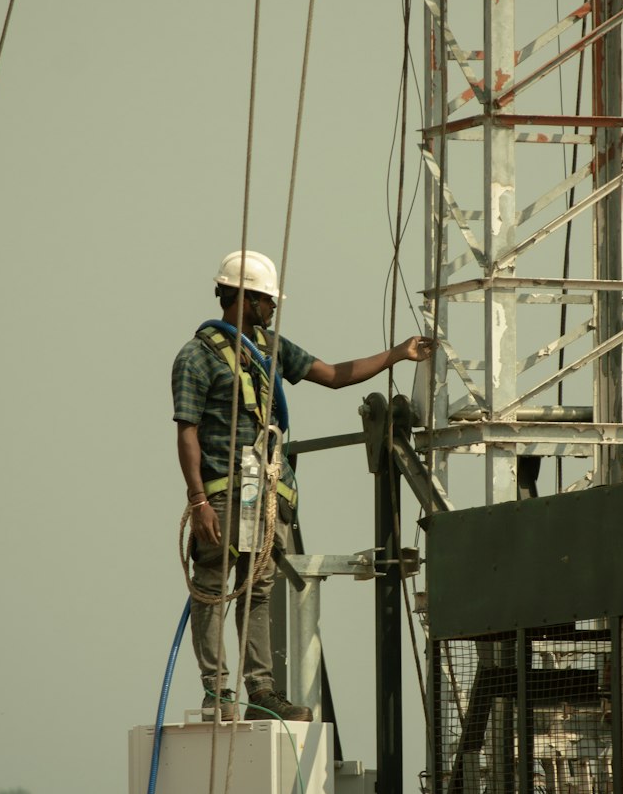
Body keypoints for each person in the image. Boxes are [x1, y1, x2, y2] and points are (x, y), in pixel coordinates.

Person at [173, 248, 433, 723]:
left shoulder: (269, 348)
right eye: (268, 301)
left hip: (268, 495)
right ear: (246, 298)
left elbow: (333, 376)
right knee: (212, 587)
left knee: (258, 588)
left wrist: (398, 353)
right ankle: (218, 692)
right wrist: (199, 501)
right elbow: (186, 430)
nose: (273, 309)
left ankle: (260, 690)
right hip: (224, 493)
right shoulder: (197, 357)